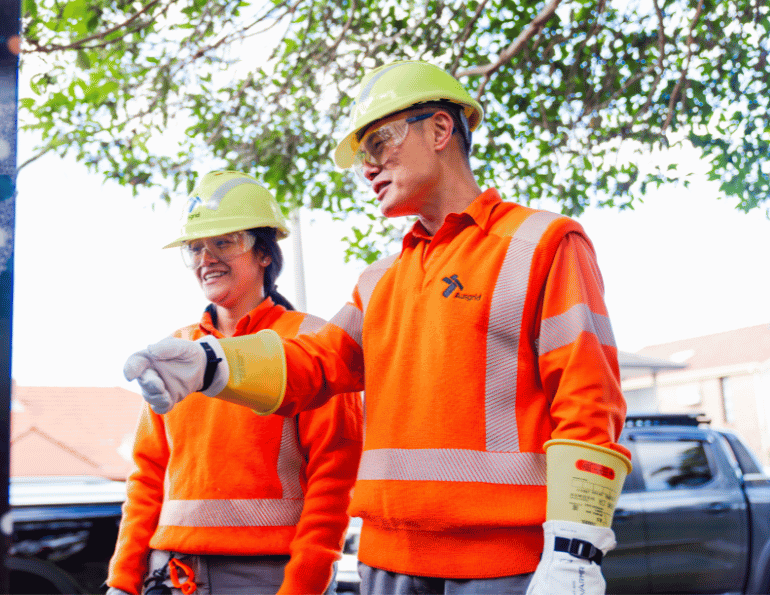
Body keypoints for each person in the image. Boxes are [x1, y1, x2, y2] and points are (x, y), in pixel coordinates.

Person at [124, 62, 632, 595]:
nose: (368, 166)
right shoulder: (379, 279)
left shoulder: (542, 243)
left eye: (379, 142)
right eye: (363, 153)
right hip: (385, 564)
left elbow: (588, 401)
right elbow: (315, 364)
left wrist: (576, 548)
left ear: (440, 129)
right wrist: (211, 364)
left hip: (504, 565)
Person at [106, 170, 364, 595]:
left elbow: (334, 480)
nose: (206, 259)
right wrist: (122, 580)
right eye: (195, 248)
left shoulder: (312, 343)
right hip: (171, 571)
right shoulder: (178, 349)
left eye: (223, 243)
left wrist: (305, 586)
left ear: (264, 253)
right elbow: (148, 473)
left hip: (266, 574)